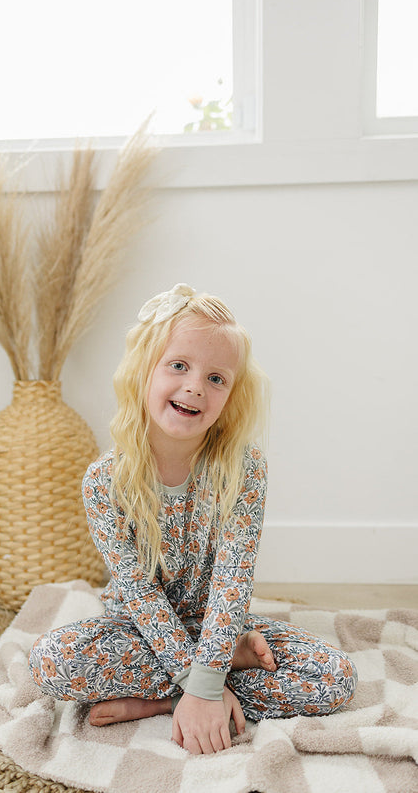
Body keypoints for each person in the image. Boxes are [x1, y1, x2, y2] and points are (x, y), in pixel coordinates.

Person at [29, 283, 357, 755]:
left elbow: (232, 581)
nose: (195, 386)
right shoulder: (104, 480)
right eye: (178, 365)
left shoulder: (244, 468)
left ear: (231, 395)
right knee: (51, 662)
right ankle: (203, 685)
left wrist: (205, 677)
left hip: (219, 626)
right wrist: (198, 678)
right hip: (141, 630)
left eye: (216, 378)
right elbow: (138, 594)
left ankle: (165, 701)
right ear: (145, 368)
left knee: (335, 678)